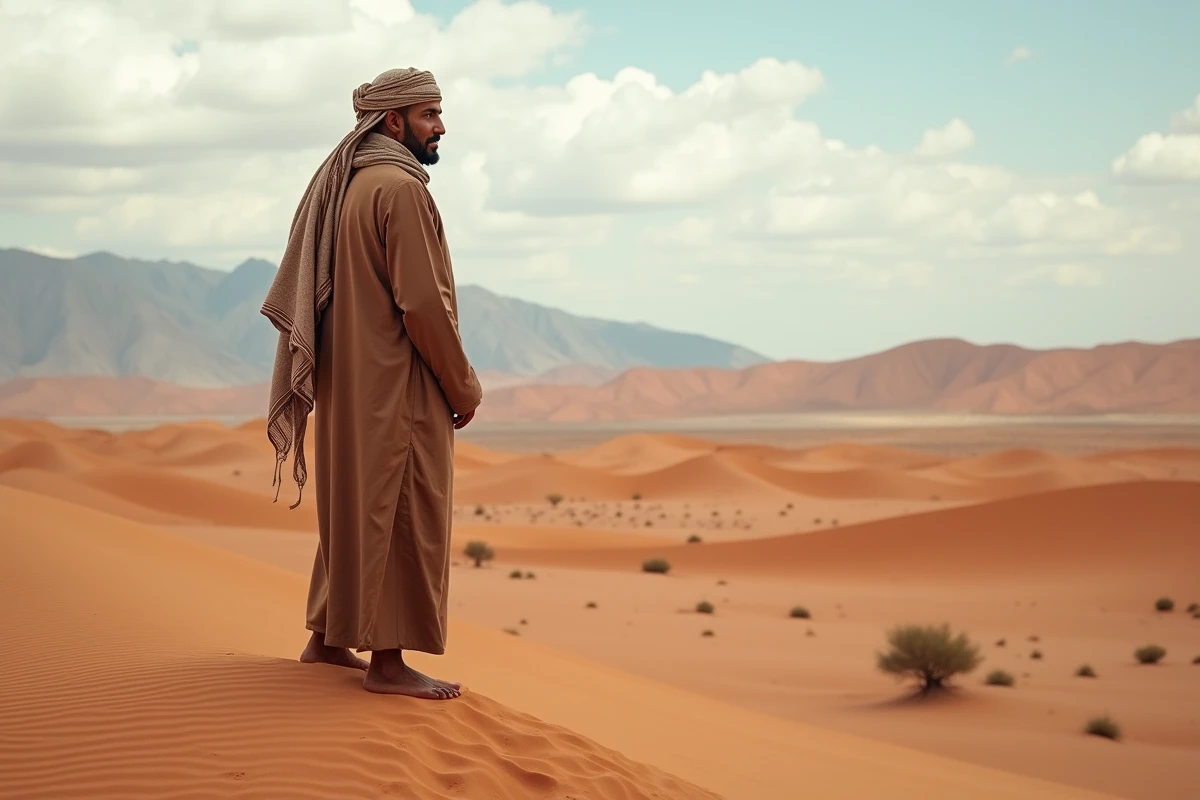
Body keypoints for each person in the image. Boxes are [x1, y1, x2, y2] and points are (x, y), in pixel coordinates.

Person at [260, 68, 483, 700]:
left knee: (355, 509)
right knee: (401, 511)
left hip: (348, 388)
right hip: (398, 389)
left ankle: (327, 639)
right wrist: (462, 387)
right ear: (393, 121)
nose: (441, 127)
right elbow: (424, 305)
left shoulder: (347, 186)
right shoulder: (400, 189)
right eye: (429, 114)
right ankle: (388, 663)